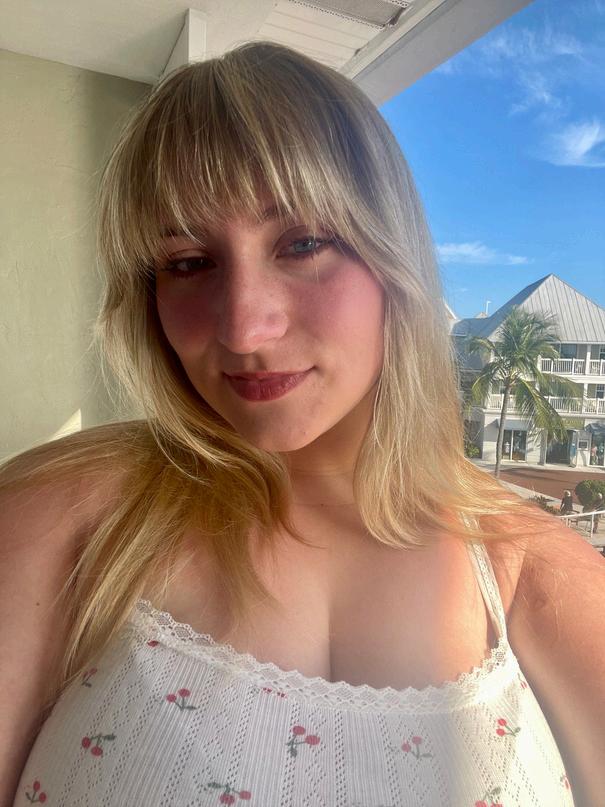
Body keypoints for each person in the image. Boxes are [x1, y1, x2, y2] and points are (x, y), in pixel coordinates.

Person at [1, 42, 603, 807]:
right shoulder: (59, 516)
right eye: (186, 262)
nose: (243, 327)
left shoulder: (539, 574)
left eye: (304, 243)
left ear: (394, 261)